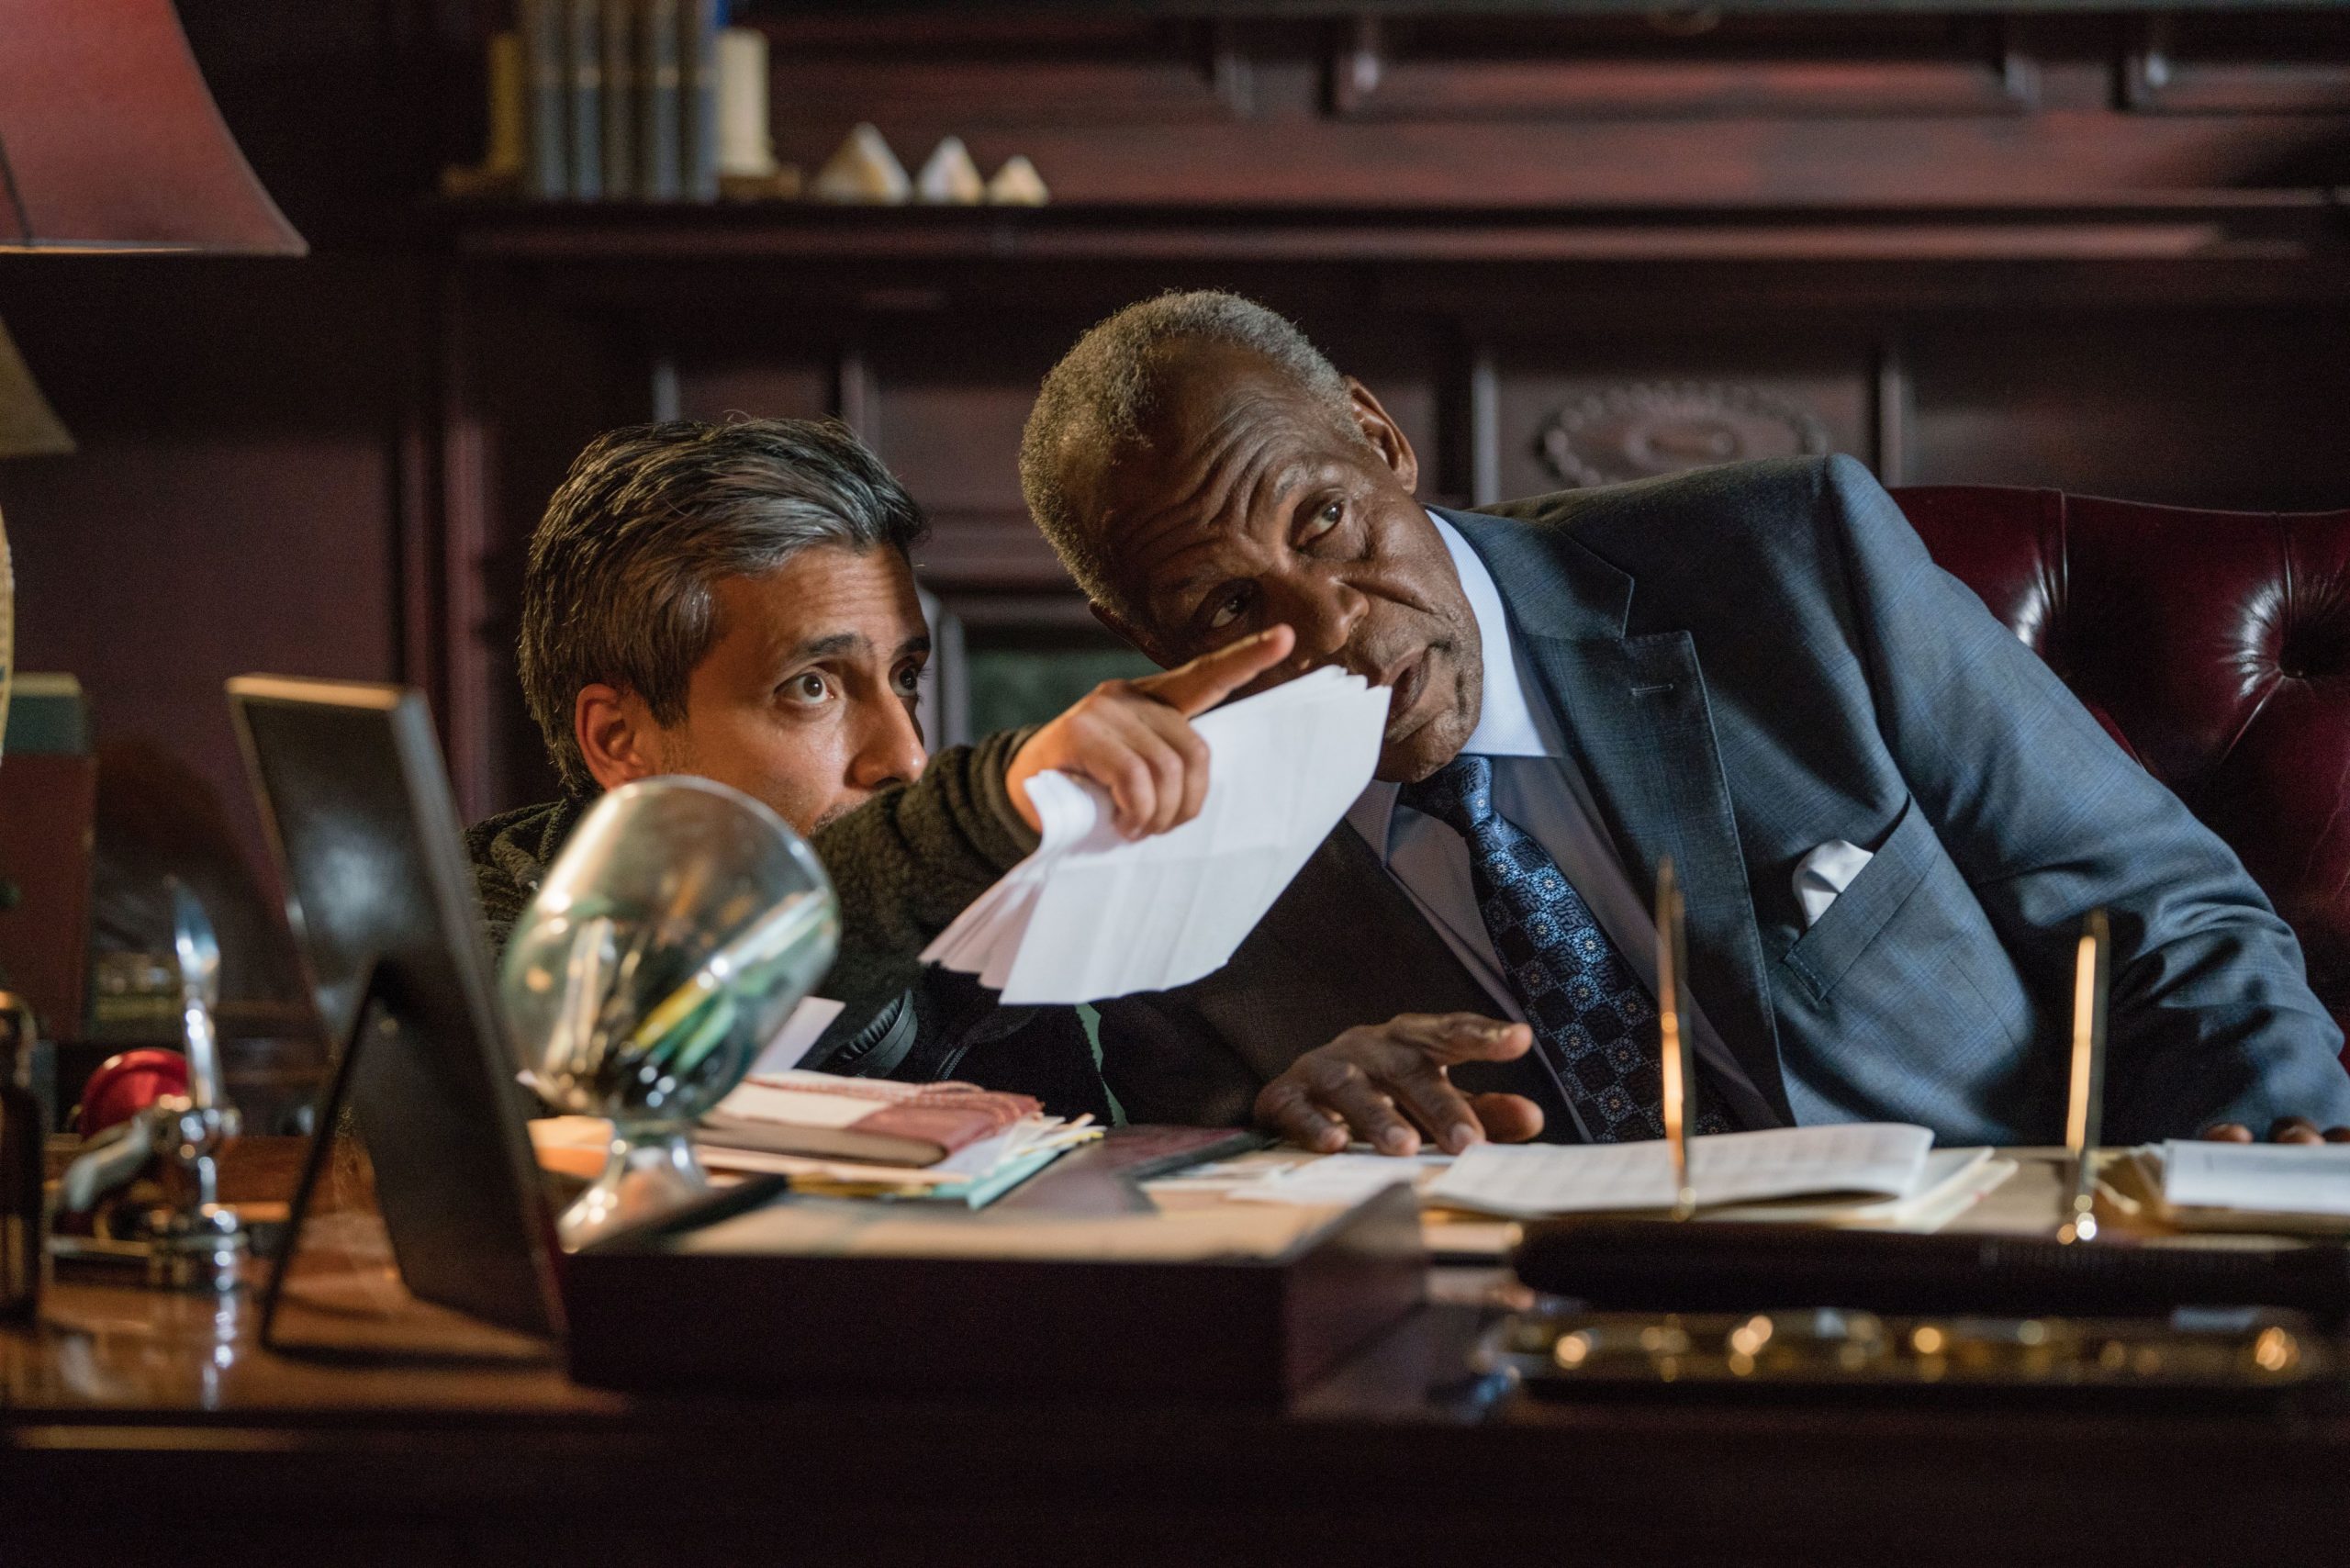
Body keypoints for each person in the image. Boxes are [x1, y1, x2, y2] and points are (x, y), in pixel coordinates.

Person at [1015, 290, 2350, 1151]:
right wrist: (1287, 1131)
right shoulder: (1159, 878)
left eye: (1325, 521)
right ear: (1145, 640)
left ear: (1380, 441)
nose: (1333, 631)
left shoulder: (1790, 566)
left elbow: (2169, 917)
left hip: (1991, 1295)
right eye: (1225, 607)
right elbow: (1200, 1199)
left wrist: (2251, 1193)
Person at [468, 417, 1290, 1120]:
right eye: (812, 686)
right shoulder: (469, 955)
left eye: (905, 677)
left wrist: (1250, 1107)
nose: (905, 756)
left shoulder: (972, 960)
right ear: (620, 739)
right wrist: (975, 819)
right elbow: (618, 1078)